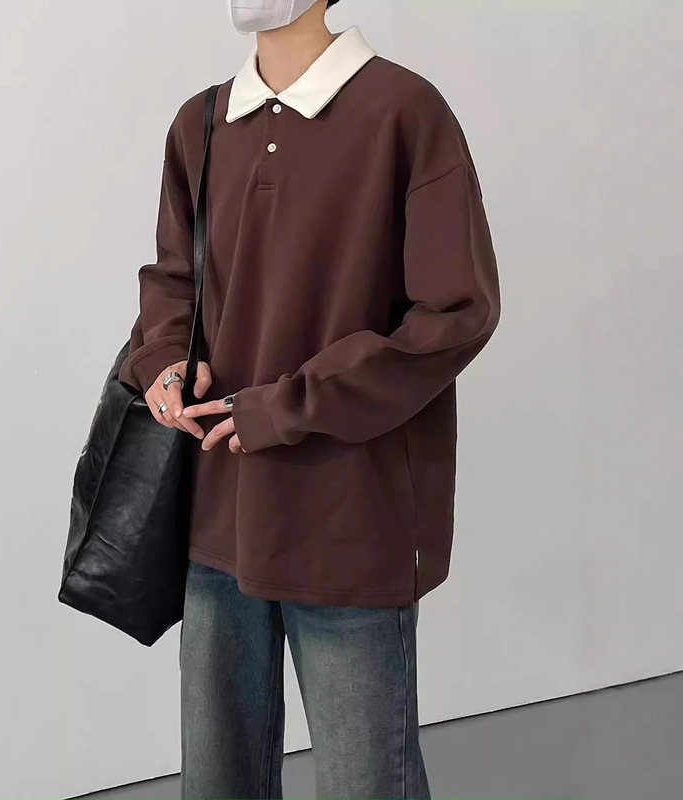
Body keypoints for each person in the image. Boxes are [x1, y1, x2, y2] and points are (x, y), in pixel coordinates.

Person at [118, 1, 501, 797]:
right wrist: (161, 363)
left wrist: (287, 407)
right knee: (218, 782)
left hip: (349, 517)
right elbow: (172, 282)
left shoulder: (404, 110)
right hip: (217, 514)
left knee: (368, 782)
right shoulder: (201, 122)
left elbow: (455, 312)